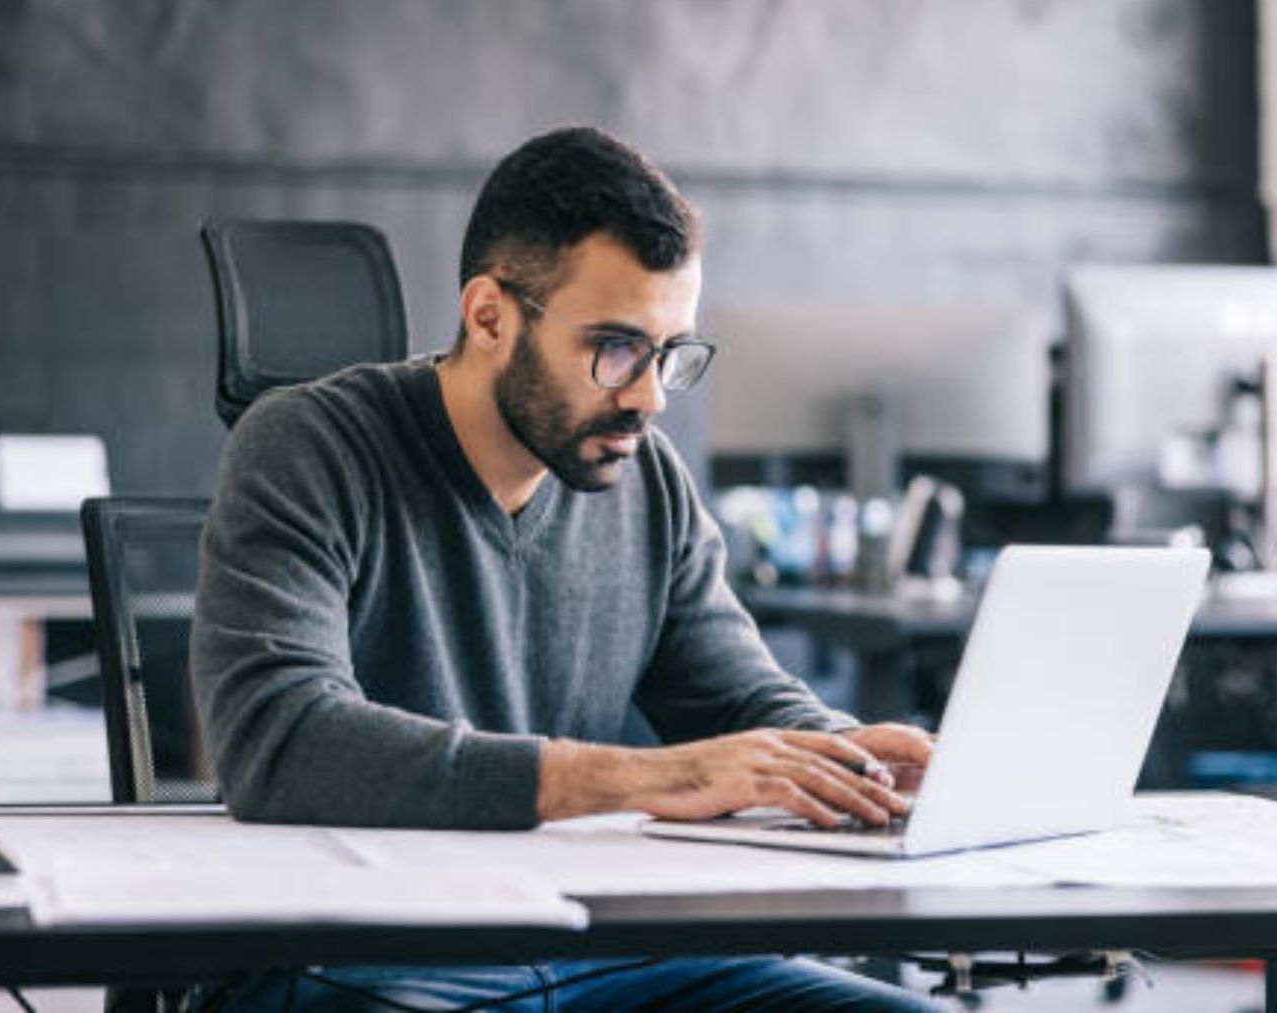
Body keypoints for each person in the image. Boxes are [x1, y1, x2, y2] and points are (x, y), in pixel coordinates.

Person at [191, 125, 938, 1011]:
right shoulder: (309, 446)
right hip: (371, 951)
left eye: (671, 353)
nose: (650, 395)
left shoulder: (649, 481)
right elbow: (281, 742)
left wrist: (845, 759)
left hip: (604, 946)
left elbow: (739, 701)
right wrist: (642, 777)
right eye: (616, 348)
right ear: (489, 315)